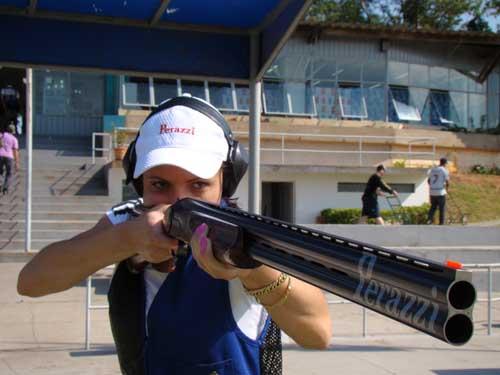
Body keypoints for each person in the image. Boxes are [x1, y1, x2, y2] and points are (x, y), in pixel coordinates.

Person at [17, 96, 332, 375]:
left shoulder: (242, 234)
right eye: (160, 185)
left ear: (226, 178)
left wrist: (250, 269)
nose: (179, 202)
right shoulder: (128, 221)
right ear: (140, 182)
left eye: (198, 185)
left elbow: (317, 333)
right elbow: (31, 281)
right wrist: (126, 240)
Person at [427, 157, 450, 225]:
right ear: (445, 163)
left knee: (433, 207)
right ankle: (441, 223)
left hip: (432, 192)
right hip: (440, 192)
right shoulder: (444, 170)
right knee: (441, 208)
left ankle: (429, 220)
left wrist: (432, 186)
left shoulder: (432, 169)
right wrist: (447, 189)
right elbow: (447, 181)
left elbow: (428, 181)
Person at [0, 123, 19, 195]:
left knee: (0, 171)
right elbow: (15, 151)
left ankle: (0, 183)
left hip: (0, 155)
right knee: (9, 173)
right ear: (13, 131)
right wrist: (17, 162)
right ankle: (5, 187)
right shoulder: (14, 139)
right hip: (9, 157)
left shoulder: (2, 135)